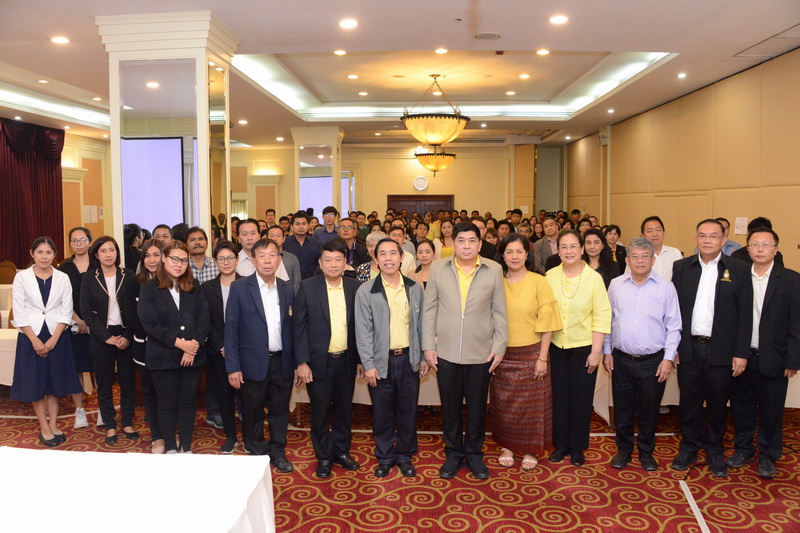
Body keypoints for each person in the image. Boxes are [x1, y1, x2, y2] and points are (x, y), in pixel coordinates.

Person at [422, 222, 507, 480]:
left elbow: (499, 311)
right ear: (454, 244)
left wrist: (499, 347)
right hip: (446, 351)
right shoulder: (438, 268)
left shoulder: (493, 269)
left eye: (472, 241)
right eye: (461, 241)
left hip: (481, 352)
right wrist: (428, 345)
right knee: (450, 408)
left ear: (480, 244)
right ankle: (452, 453)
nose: (466, 246)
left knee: (477, 407)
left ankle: (474, 454)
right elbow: (430, 309)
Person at [670, 219, 752, 478]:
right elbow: (673, 311)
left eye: (713, 236)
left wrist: (741, 352)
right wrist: (673, 347)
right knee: (689, 401)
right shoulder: (682, 267)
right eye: (702, 235)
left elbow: (745, 315)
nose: (707, 240)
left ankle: (715, 449)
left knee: (717, 403)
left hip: (722, 350)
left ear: (723, 240)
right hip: (688, 347)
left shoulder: (739, 269)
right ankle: (689, 446)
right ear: (696, 239)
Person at [602, 237, 682, 471]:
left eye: (644, 256)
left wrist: (668, 358)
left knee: (649, 410)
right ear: (627, 260)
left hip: (653, 362)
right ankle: (623, 450)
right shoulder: (616, 285)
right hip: (621, 359)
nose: (639, 261)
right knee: (623, 409)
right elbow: (608, 320)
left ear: (652, 260)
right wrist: (607, 351)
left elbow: (674, 325)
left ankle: (646, 452)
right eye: (634, 256)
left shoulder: (666, 287)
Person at [727, 228, 799, 479]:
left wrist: (793, 359)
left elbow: (796, 323)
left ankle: (768, 455)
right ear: (747, 249)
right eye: (755, 244)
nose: (760, 249)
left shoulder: (791, 280)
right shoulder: (738, 276)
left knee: (771, 411)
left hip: (775, 357)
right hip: (741, 356)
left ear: (775, 250)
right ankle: (744, 449)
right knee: (741, 407)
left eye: (766, 245)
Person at [355, 237, 426, 478]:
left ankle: (405, 456)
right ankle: (385, 457)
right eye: (382, 254)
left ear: (402, 257)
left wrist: (422, 356)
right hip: (380, 362)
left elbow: (421, 326)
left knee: (408, 412)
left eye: (393, 253)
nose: (388, 258)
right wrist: (368, 364)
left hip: (408, 360)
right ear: (375, 259)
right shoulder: (366, 290)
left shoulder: (414, 288)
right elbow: (363, 331)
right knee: (382, 414)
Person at [294, 240, 364, 478]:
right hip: (317, 363)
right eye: (328, 260)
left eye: (338, 259)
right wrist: (302, 362)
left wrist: (361, 360)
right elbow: (299, 328)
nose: (333, 264)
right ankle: (323, 456)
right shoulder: (307, 287)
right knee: (320, 412)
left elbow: (361, 327)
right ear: (320, 262)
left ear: (345, 263)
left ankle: (342, 451)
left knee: (344, 411)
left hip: (346, 360)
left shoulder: (355, 287)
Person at [492, 234, 562, 470]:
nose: (514, 256)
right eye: (509, 252)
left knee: (532, 408)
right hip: (502, 354)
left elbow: (548, 322)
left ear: (527, 254)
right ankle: (508, 446)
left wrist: (542, 357)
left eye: (519, 251)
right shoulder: (495, 281)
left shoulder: (538, 281)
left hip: (532, 353)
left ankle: (531, 449)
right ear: (502, 255)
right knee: (504, 406)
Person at [225, 239, 295, 470]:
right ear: (253, 261)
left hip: (281, 361)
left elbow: (293, 329)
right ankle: (256, 451)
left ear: (279, 259)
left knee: (280, 412)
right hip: (251, 363)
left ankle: (278, 452)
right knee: (252, 411)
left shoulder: (286, 288)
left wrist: (297, 363)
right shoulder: (239, 288)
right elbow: (231, 330)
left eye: (272, 255)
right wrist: (233, 367)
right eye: (262, 256)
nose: (267, 261)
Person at [546, 229, 611, 467]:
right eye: (564, 246)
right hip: (556, 346)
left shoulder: (594, 278)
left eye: (573, 246)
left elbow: (602, 315)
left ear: (582, 249)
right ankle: (560, 444)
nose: (569, 251)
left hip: (584, 348)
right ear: (558, 250)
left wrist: (596, 352)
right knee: (559, 397)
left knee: (581, 399)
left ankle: (577, 447)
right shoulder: (550, 276)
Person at [137, 241, 210, 454]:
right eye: (175, 259)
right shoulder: (149, 288)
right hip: (163, 356)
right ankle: (169, 446)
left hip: (192, 357)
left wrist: (192, 347)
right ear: (164, 258)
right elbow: (150, 324)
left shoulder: (194, 286)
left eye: (184, 261)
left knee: (188, 403)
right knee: (166, 404)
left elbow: (204, 319)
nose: (179, 265)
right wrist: (181, 344)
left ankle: (186, 446)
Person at [11, 237, 83, 446]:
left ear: (54, 255)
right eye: (40, 252)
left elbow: (66, 309)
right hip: (30, 335)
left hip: (57, 335)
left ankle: (53, 424)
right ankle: (44, 426)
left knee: (55, 382)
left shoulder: (62, 278)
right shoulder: (21, 277)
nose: (44, 256)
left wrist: (54, 338)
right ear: (32, 253)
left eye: (48, 252)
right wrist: (34, 340)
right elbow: (19, 311)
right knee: (36, 383)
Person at [80, 236, 137, 445]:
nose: (108, 254)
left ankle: (127, 422)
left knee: (127, 382)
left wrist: (127, 336)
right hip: (101, 335)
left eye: (111, 250)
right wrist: (106, 337)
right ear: (96, 254)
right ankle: (110, 424)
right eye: (103, 251)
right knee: (104, 383)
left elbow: (136, 308)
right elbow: (86, 310)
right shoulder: (89, 278)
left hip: (125, 333)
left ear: (117, 252)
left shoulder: (128, 275)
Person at [201, 241, 241, 454]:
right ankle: (230, 436)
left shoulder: (247, 284)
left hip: (244, 350)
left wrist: (235, 346)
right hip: (218, 352)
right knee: (224, 395)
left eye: (230, 258)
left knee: (247, 397)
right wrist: (221, 346)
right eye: (221, 259)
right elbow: (204, 321)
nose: (226, 262)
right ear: (215, 262)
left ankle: (250, 437)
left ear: (237, 260)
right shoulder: (207, 288)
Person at [129, 239, 165, 453]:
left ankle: (170, 432)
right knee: (150, 393)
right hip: (144, 347)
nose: (152, 260)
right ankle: (157, 436)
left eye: (156, 255)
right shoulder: (134, 283)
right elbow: (132, 317)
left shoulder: (172, 281)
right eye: (147, 256)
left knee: (168, 394)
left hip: (168, 347)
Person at [58, 227, 93, 429]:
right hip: (73, 324)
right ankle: (79, 410)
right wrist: (78, 321)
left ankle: (103, 409)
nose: (78, 244)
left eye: (82, 240)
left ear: (90, 242)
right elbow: (61, 300)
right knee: (77, 368)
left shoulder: (98, 263)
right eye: (74, 240)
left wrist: (91, 322)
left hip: (98, 325)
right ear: (70, 243)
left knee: (100, 368)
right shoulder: (63, 268)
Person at [637, 216, 683, 281]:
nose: (654, 234)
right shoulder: (636, 256)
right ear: (642, 235)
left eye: (658, 230)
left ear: (664, 233)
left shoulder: (675, 253)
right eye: (649, 231)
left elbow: (682, 279)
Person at [284, 210, 322, 280]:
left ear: (308, 226)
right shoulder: (285, 243)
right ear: (292, 226)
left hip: (311, 281)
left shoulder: (315, 243)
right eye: (297, 224)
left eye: (304, 224)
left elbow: (319, 264)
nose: (301, 227)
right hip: (290, 282)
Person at [267, 225, 301, 293]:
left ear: (283, 239)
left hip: (288, 295)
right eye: (272, 236)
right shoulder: (261, 258)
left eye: (278, 236)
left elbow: (296, 282)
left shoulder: (292, 258)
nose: (275, 239)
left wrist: (291, 297)